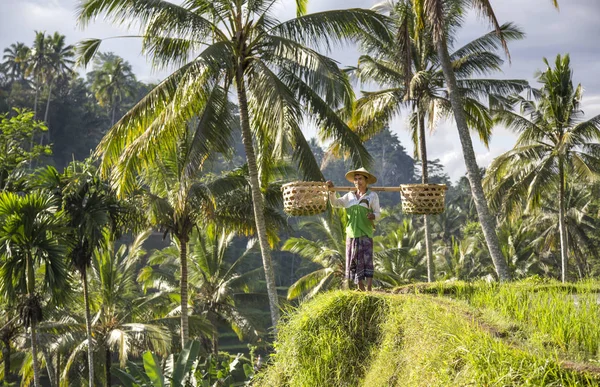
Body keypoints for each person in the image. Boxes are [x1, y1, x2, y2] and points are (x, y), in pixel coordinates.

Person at [327, 167, 380, 291]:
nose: (358, 181)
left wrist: (373, 216)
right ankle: (360, 286)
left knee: (367, 259)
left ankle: (369, 287)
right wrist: (332, 191)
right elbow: (335, 203)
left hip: (365, 232)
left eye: (360, 179)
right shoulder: (349, 196)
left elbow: (378, 213)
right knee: (354, 260)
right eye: (355, 179)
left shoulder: (372, 196)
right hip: (351, 233)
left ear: (366, 181)